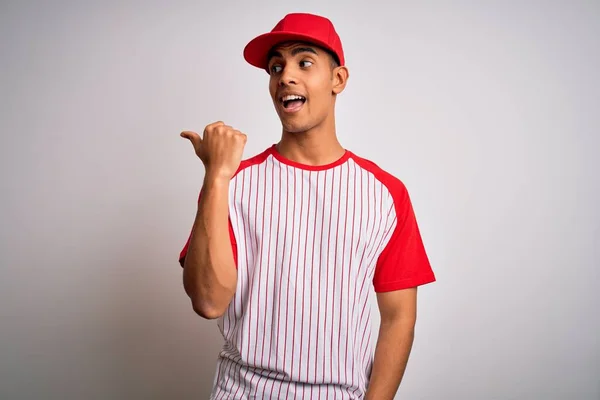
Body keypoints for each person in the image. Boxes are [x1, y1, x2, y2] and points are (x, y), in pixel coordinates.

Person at [178, 12, 436, 399]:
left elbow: (399, 318)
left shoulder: (385, 193)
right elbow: (209, 301)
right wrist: (215, 176)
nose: (285, 76)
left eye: (304, 62)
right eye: (276, 66)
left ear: (338, 80)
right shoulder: (231, 182)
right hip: (241, 392)